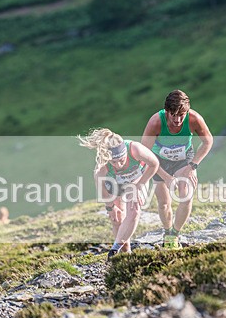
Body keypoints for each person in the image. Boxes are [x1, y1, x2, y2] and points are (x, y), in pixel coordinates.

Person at [141, 89, 214, 248]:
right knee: (164, 203)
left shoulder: (194, 119)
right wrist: (165, 176)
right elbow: (144, 154)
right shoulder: (156, 122)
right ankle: (167, 232)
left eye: (182, 115)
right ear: (167, 112)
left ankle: (175, 234)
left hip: (184, 159)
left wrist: (193, 165)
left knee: (186, 195)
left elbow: (208, 141)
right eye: (174, 115)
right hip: (158, 160)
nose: (178, 119)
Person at [78, 128, 159, 259]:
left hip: (137, 179)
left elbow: (154, 164)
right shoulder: (101, 170)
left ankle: (115, 247)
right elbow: (104, 194)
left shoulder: (135, 150)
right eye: (113, 162)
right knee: (117, 219)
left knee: (134, 209)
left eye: (121, 159)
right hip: (116, 183)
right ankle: (124, 253)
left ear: (125, 152)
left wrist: (139, 185)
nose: (118, 164)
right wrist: (110, 208)